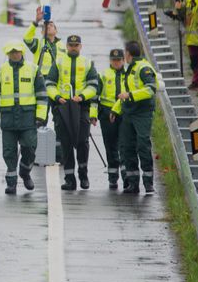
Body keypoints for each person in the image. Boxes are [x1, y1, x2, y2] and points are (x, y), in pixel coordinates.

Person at [0, 41, 48, 194]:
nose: (15, 54)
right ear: (8, 54)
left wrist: (41, 115)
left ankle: (25, 172)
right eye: (12, 52)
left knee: (30, 147)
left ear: (22, 52)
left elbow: (42, 95)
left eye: (17, 52)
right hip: (8, 117)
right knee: (9, 151)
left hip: (28, 117)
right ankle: (11, 183)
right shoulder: (0, 71)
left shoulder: (33, 69)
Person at [46, 35, 99, 191]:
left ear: (80, 47)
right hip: (62, 107)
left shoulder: (88, 63)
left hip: (81, 106)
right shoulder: (59, 62)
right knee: (66, 143)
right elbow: (49, 83)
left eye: (76, 45)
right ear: (67, 46)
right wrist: (57, 97)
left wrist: (81, 96)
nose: (73, 47)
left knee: (82, 141)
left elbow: (93, 86)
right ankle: (69, 179)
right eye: (71, 45)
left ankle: (83, 175)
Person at [110, 41, 158, 195]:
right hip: (128, 113)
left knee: (143, 145)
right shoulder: (129, 69)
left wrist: (130, 96)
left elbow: (151, 89)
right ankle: (133, 183)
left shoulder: (143, 68)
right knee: (127, 147)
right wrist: (116, 109)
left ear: (128, 54)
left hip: (142, 113)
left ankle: (148, 183)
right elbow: (124, 92)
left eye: (125, 52)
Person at [91, 48, 126, 189]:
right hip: (107, 114)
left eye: (119, 60)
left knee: (124, 146)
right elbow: (95, 97)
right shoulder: (103, 75)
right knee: (110, 145)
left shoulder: (130, 75)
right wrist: (93, 115)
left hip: (124, 114)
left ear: (123, 60)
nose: (116, 63)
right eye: (114, 60)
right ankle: (113, 176)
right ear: (110, 61)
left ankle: (126, 176)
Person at [23, 7, 66, 77]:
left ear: (56, 31)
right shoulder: (37, 44)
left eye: (51, 25)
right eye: (45, 26)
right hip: (42, 78)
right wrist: (36, 21)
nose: (48, 26)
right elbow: (26, 38)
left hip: (58, 78)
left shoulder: (63, 46)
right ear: (42, 32)